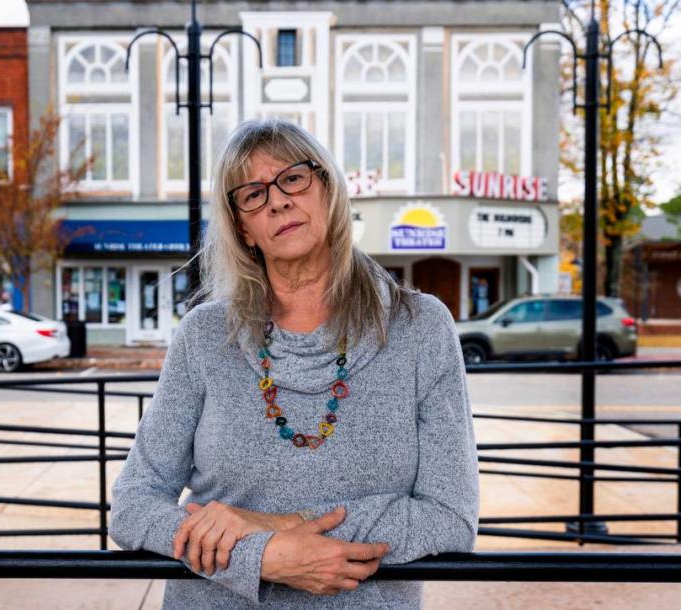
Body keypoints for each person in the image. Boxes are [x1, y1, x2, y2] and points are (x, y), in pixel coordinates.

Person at [109, 119, 479, 608]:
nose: (278, 200)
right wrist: (265, 555)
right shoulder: (203, 335)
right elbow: (133, 505)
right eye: (253, 194)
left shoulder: (421, 328)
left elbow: (450, 518)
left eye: (293, 179)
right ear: (243, 227)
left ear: (326, 187)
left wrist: (277, 525)